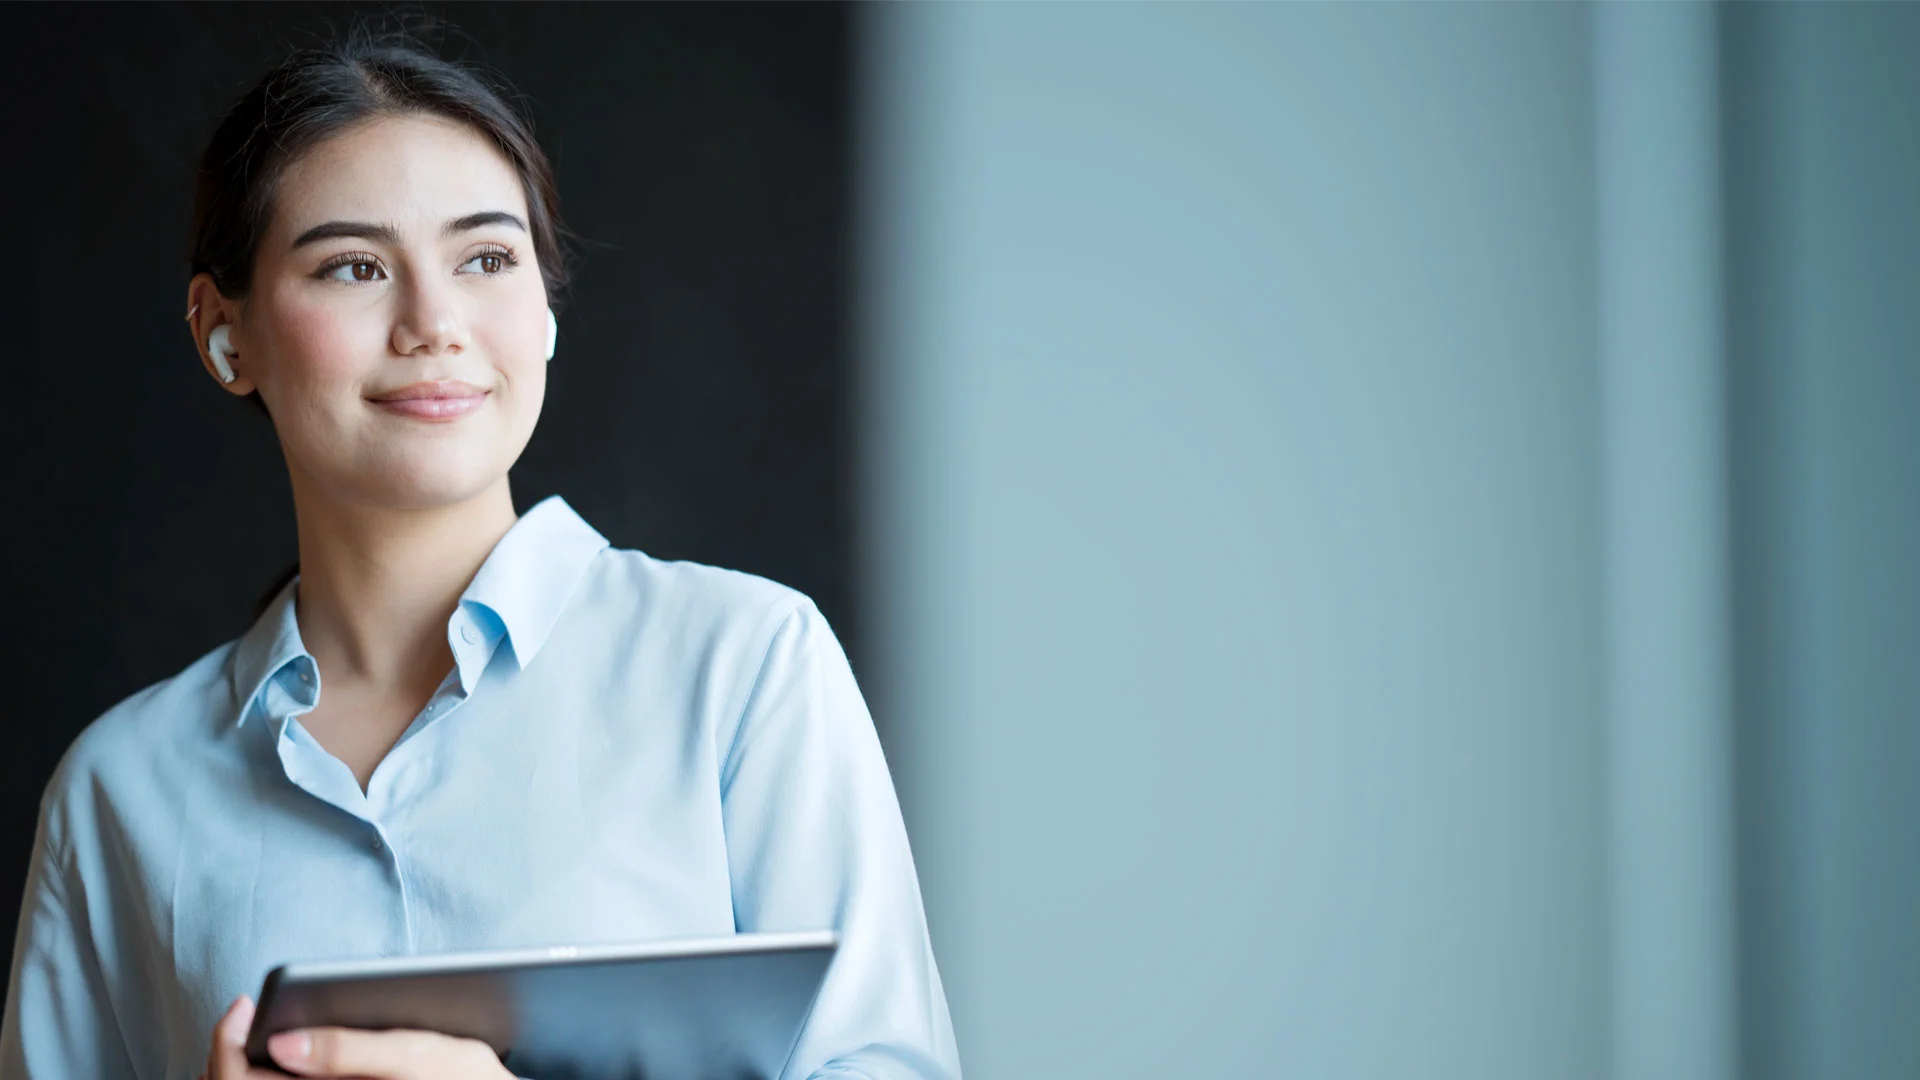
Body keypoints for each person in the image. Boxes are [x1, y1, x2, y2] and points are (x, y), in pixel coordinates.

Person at [0, 26, 959, 1080]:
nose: (434, 320)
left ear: (543, 311)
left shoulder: (744, 667)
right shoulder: (118, 792)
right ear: (226, 334)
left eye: (487, 258)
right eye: (354, 267)